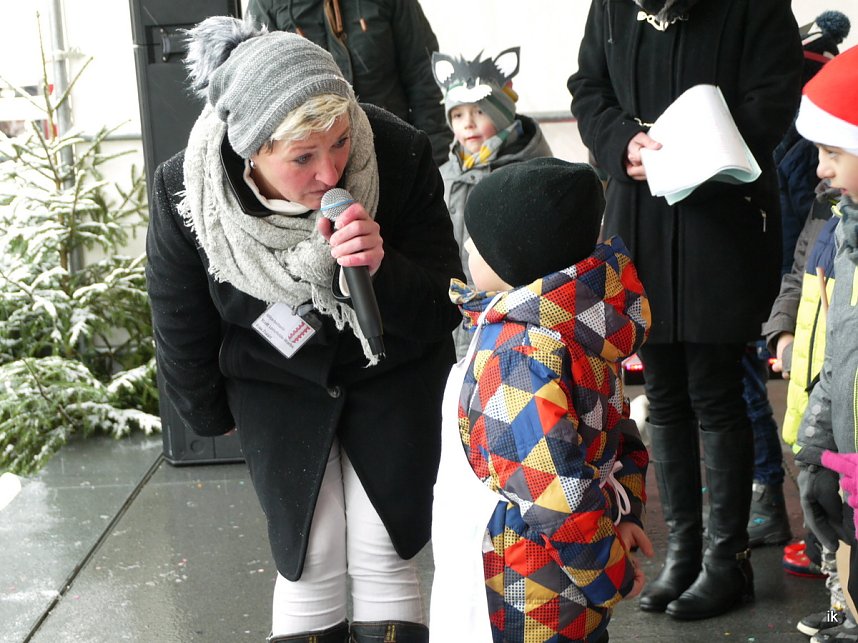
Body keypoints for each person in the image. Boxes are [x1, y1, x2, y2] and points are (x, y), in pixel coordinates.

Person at [145, 17, 464, 643]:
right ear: (249, 151)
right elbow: (177, 315)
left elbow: (445, 302)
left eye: (341, 141)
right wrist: (208, 412)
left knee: (385, 543)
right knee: (308, 556)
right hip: (272, 379)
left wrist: (383, 268)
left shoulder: (395, 152)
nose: (331, 172)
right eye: (302, 157)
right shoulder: (187, 188)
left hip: (391, 369)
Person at [568, 0, 803, 620]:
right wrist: (622, 142)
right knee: (664, 394)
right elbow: (588, 84)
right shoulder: (614, 5)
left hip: (719, 215)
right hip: (640, 214)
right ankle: (684, 554)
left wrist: (695, 152)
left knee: (717, 389)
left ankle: (728, 563)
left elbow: (776, 94)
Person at [430, 158, 653, 642]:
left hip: (523, 590)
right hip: (567, 574)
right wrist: (626, 513)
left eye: (477, 241)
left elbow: (554, 491)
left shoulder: (520, 354)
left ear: (517, 258)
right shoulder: (579, 320)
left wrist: (609, 573)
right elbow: (621, 434)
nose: (467, 247)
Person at [746, 10, 850, 553]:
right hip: (815, 391)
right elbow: (798, 272)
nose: (818, 167)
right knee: (823, 498)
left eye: (831, 153)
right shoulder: (824, 211)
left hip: (846, 405)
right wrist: (781, 331)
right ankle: (839, 594)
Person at [792, 45, 858, 643]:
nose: (820, 168)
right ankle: (847, 612)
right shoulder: (844, 227)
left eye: (833, 152)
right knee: (835, 522)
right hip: (840, 414)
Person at [430, 46, 553, 358]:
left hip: (508, 312)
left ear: (501, 112)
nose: (467, 124)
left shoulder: (526, 170)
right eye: (458, 115)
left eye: (479, 111)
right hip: (457, 313)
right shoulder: (444, 175)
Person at [245, 0, 452, 166]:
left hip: (394, 157)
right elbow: (259, 104)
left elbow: (422, 76)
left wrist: (434, 160)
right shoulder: (266, 5)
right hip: (317, 172)